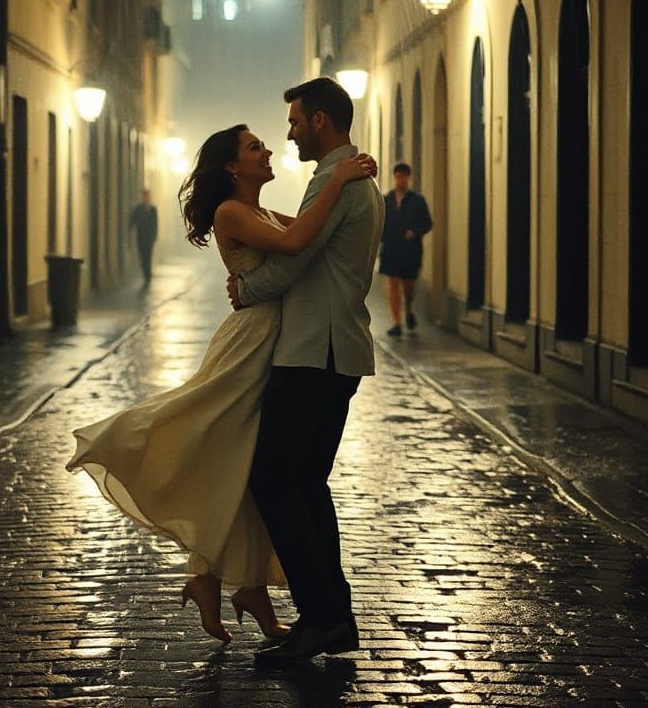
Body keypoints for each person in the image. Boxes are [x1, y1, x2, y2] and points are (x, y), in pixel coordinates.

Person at [66, 121, 377, 646]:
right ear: (233, 165)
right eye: (255, 147)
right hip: (251, 344)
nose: (268, 149)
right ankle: (212, 569)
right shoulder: (231, 211)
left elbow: (309, 233)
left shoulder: (256, 210)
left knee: (242, 460)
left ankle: (225, 580)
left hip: (275, 342)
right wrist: (341, 177)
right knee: (209, 437)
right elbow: (300, 241)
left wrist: (335, 191)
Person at [227, 76, 384, 666]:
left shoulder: (339, 181)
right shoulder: (354, 177)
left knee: (272, 480)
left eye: (294, 122)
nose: (288, 133)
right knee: (307, 485)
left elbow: (296, 257)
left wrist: (246, 287)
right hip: (335, 349)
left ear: (320, 120)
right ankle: (332, 617)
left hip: (313, 352)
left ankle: (321, 616)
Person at [379, 163, 433, 335]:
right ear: (394, 177)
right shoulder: (386, 200)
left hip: (410, 251)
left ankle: (408, 309)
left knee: (408, 286)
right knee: (392, 284)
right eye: (397, 176)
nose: (400, 180)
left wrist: (415, 233)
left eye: (403, 176)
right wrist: (382, 238)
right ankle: (397, 323)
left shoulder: (418, 201)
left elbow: (428, 224)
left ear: (408, 178)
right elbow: (380, 222)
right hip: (391, 248)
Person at [129, 189, 158, 287]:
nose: (145, 198)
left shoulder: (153, 209)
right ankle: (146, 274)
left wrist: (154, 236)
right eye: (144, 196)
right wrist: (131, 227)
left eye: (147, 196)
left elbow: (155, 224)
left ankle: (148, 275)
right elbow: (132, 219)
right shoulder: (138, 209)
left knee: (148, 256)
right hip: (140, 237)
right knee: (142, 256)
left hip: (149, 238)